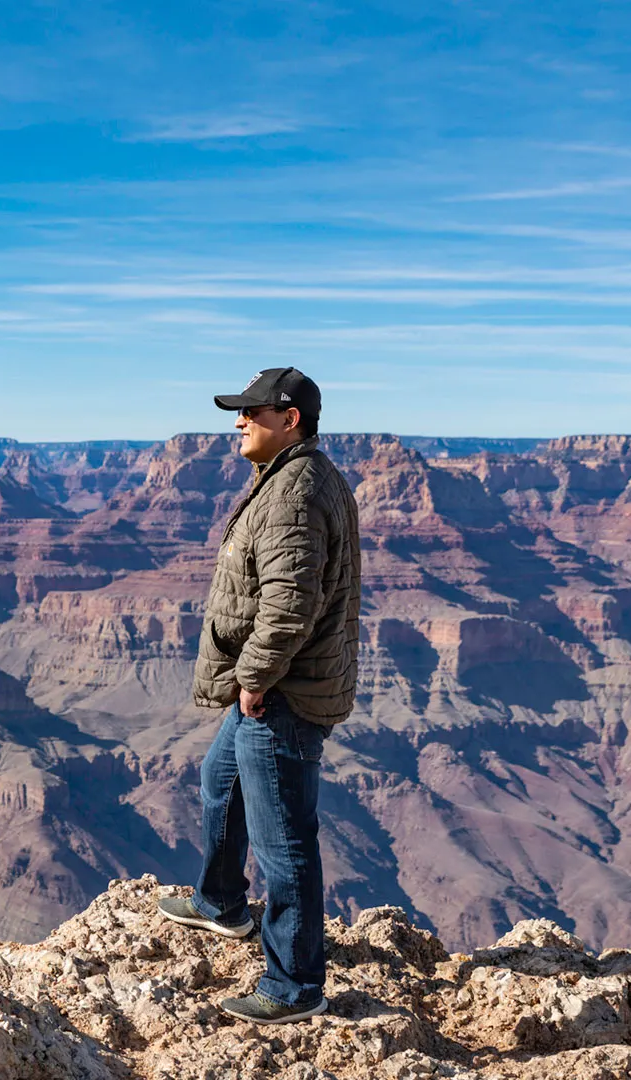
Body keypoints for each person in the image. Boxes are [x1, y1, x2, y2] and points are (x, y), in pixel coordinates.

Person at [157, 366, 363, 1025]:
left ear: (290, 419)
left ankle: (295, 984)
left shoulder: (295, 493)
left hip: (283, 695)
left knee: (284, 841)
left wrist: (253, 679)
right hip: (278, 687)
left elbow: (289, 603)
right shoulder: (290, 478)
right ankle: (220, 902)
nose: (238, 422)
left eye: (252, 411)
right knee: (220, 776)